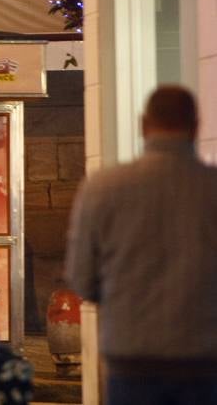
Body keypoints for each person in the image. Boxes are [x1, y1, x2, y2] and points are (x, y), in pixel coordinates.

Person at [66, 85, 217, 405]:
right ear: (196, 126)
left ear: (143, 125)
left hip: (130, 358)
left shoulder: (102, 190)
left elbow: (81, 279)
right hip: (204, 359)